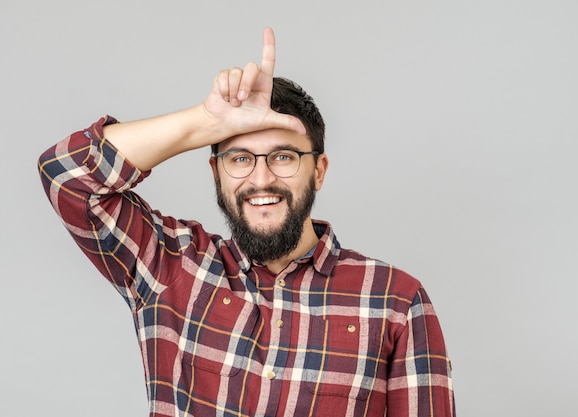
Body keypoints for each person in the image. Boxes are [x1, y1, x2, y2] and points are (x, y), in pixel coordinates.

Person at [38, 28, 455, 417]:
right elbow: (66, 175)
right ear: (216, 173)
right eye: (240, 158)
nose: (261, 178)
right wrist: (206, 121)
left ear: (319, 171)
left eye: (284, 156)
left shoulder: (397, 302)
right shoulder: (171, 266)